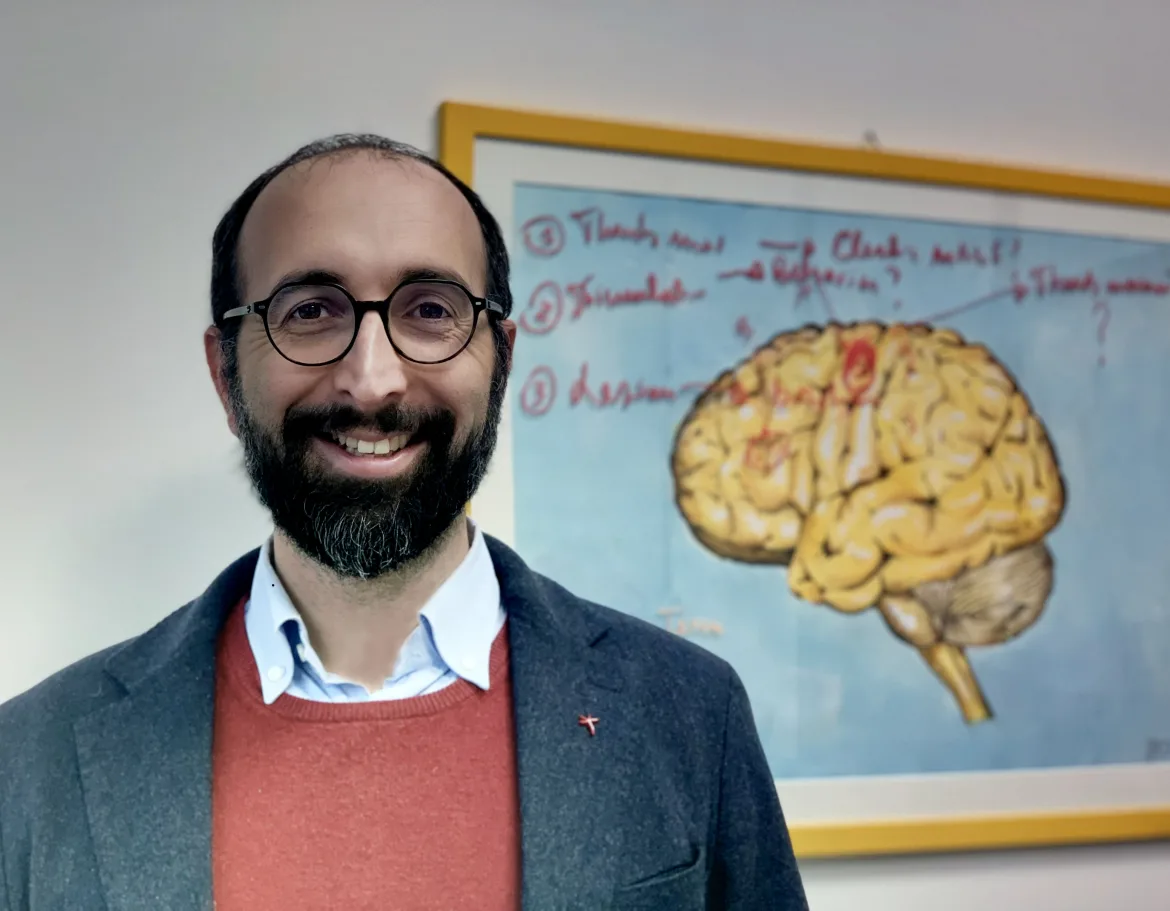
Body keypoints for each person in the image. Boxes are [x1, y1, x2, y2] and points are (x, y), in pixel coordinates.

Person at [0, 135, 809, 910]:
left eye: (429, 309)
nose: (373, 380)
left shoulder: (689, 713)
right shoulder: (33, 756)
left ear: (500, 361)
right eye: (310, 310)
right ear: (225, 373)